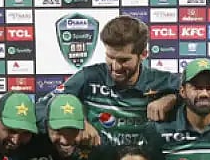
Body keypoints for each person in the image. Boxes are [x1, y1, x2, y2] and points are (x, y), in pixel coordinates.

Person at [51, 15, 180, 146]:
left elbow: (191, 95)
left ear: (143, 55)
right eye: (110, 57)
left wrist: (172, 98)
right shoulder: (89, 77)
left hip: (143, 158)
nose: (115, 67)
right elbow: (47, 105)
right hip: (98, 157)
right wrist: (78, 122)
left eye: (124, 60)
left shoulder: (163, 80)